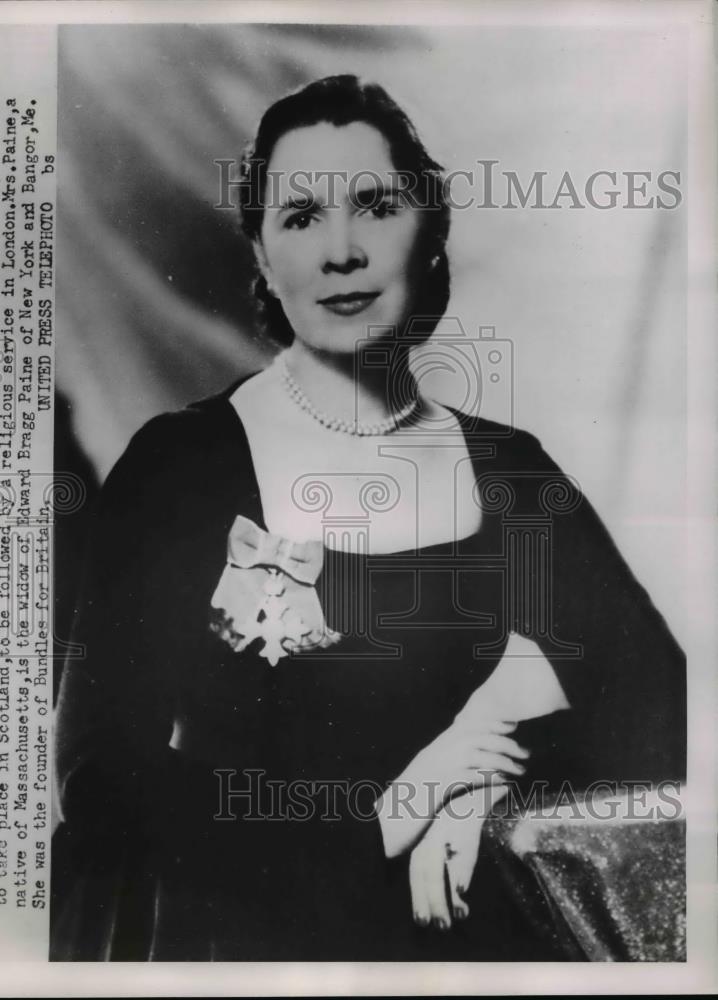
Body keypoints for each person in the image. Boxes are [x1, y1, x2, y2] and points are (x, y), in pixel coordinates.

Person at [51, 75, 685, 961]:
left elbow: (661, 699)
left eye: (376, 206)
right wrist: (397, 808)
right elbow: (102, 776)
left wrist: (482, 772)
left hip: (481, 951)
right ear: (264, 258)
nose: (340, 251)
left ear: (429, 236)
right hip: (259, 954)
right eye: (301, 218)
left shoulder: (510, 470)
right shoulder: (181, 467)